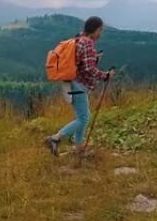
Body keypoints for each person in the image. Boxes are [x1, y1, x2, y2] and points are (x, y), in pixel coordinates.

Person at [45, 16, 116, 156]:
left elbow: (82, 64)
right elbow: (90, 69)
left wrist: (94, 58)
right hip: (79, 85)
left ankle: (79, 148)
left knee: (82, 117)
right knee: (84, 118)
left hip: (72, 83)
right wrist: (106, 75)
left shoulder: (78, 39)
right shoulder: (88, 43)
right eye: (100, 30)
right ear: (94, 29)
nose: (101, 33)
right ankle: (55, 138)